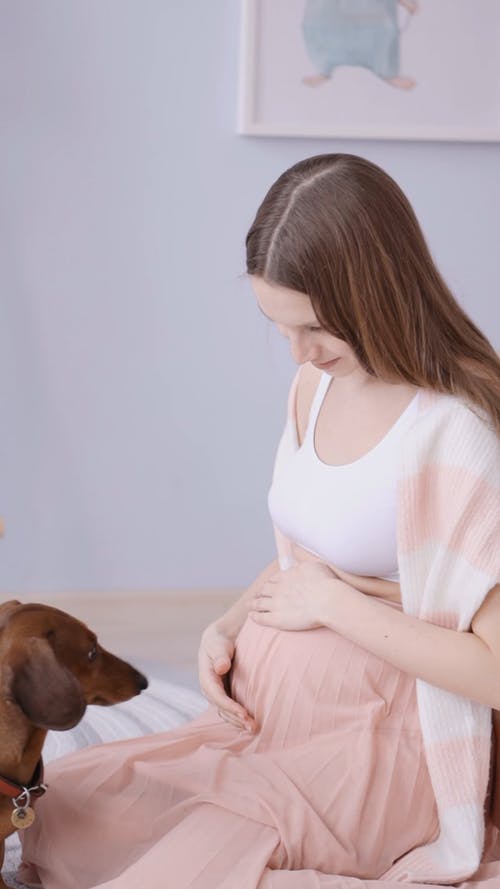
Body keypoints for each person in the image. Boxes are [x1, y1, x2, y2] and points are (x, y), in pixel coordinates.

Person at [17, 154, 500, 888]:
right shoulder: (316, 386)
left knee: (164, 871)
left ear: (377, 294)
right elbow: (309, 554)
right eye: (279, 328)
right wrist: (229, 625)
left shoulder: (456, 432)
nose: (298, 353)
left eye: (314, 328)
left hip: (375, 746)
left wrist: (335, 607)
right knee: (64, 819)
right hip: (268, 720)